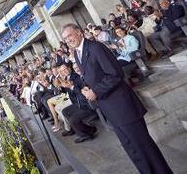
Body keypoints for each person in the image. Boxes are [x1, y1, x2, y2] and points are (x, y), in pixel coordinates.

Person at [61, 23, 173, 174]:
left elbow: (115, 74)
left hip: (123, 106)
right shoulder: (77, 54)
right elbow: (91, 77)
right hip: (110, 110)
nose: (68, 40)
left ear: (79, 32)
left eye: (70, 35)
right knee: (133, 150)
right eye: (65, 38)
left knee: (144, 148)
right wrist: (84, 87)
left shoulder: (96, 48)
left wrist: (95, 91)